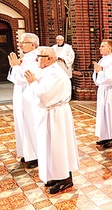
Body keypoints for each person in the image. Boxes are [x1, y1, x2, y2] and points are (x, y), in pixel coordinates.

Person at [23, 47, 79, 194]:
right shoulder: (46, 70)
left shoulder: (56, 74)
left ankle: (65, 179)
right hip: (48, 113)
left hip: (56, 115)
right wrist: (33, 83)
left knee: (58, 146)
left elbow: (44, 96)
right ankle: (56, 174)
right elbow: (33, 95)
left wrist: (33, 83)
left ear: (50, 59)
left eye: (39, 56)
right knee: (49, 146)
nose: (36, 59)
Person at [7, 33, 41, 169]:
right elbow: (15, 77)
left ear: (33, 44)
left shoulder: (37, 58)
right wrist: (16, 66)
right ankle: (27, 152)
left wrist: (15, 66)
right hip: (20, 95)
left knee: (31, 124)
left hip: (29, 97)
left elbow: (25, 77)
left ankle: (36, 155)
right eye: (20, 42)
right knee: (21, 124)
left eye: (23, 42)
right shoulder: (26, 58)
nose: (20, 45)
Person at [92, 39, 112, 148]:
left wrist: (99, 72)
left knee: (111, 113)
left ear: (109, 48)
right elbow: (97, 76)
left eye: (102, 46)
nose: (100, 48)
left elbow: (110, 78)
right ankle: (105, 136)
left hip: (109, 90)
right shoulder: (102, 60)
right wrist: (97, 73)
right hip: (102, 90)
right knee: (103, 113)